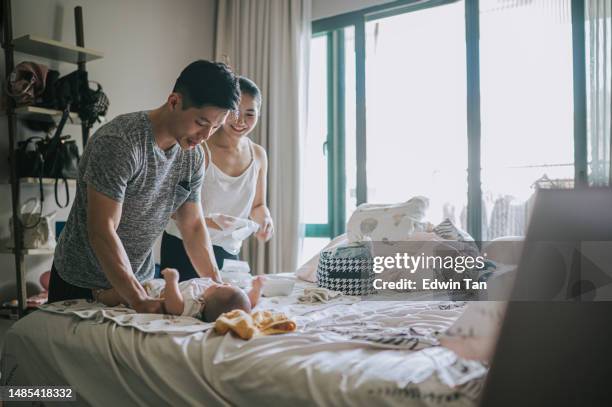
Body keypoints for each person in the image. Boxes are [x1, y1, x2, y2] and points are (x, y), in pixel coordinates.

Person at [49, 60, 241, 313]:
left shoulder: (192, 156)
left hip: (138, 281)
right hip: (81, 283)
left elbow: (193, 226)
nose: (206, 136)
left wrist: (217, 286)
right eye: (201, 123)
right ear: (174, 102)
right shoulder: (120, 143)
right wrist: (137, 299)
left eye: (215, 127)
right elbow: (102, 230)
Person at [161, 77, 273, 279]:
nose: (240, 121)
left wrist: (264, 220)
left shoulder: (258, 155)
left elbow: (258, 205)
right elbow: (171, 209)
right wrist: (213, 223)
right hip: (184, 244)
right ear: (222, 112)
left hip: (228, 249)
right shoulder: (198, 147)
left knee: (231, 307)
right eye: (234, 112)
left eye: (250, 114)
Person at [94, 268, 265, 322]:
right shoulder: (215, 297)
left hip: (149, 294)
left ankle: (101, 296)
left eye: (220, 288)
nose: (224, 284)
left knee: (121, 294)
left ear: (206, 303)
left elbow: (174, 307)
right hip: (152, 285)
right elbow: (246, 305)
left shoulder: (194, 303)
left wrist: (172, 282)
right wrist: (256, 289)